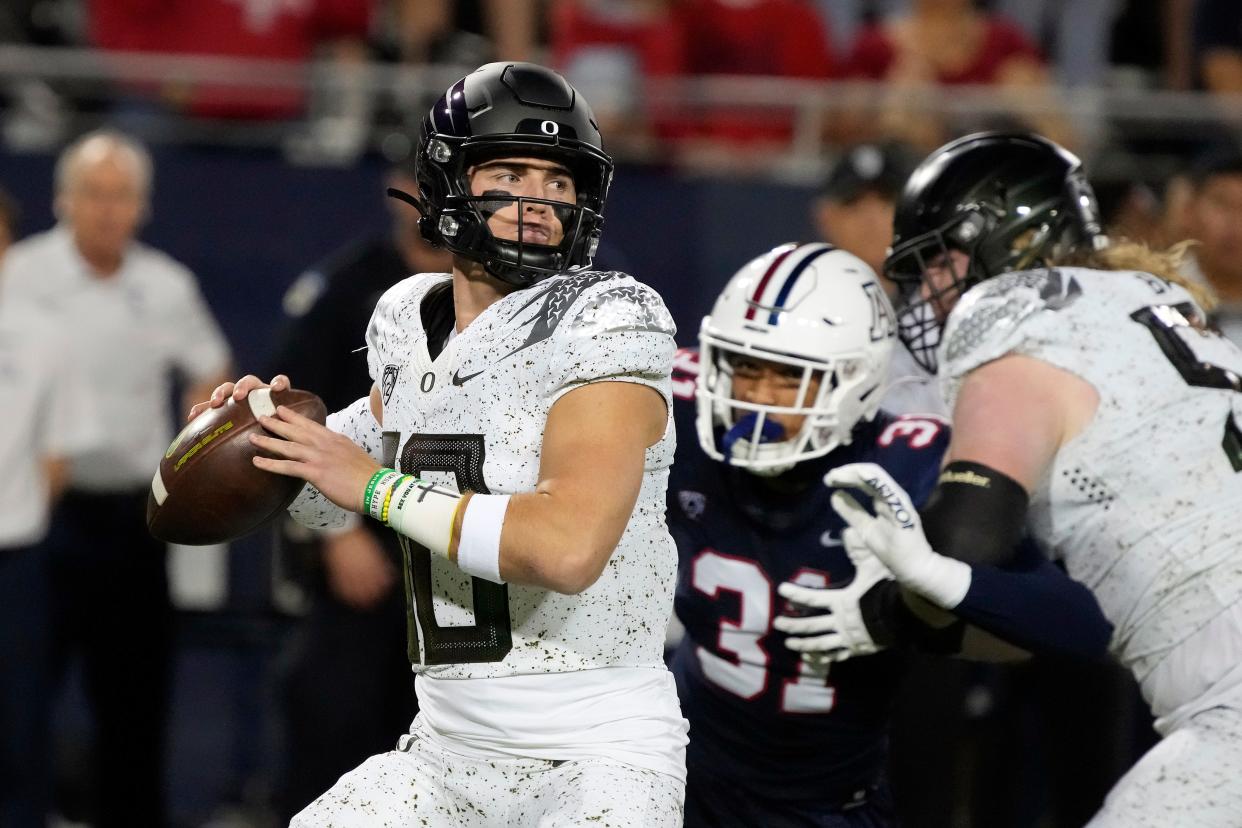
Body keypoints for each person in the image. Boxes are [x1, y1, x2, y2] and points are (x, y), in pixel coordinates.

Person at [192, 62, 687, 826]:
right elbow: (328, 503)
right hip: (445, 750)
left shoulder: (609, 317)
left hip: (594, 756)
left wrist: (374, 488)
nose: (539, 202)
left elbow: (566, 548)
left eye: (560, 182)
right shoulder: (403, 318)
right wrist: (259, 437)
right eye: (511, 172)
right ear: (445, 183)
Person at [810, 131, 1242, 827]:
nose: (929, 294)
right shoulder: (1150, 303)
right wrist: (922, 622)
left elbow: (963, 542)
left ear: (1006, 240)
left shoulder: (1014, 323)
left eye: (939, 262)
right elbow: (1083, 620)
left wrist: (889, 607)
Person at [666, 241, 1111, 827]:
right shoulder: (680, 412)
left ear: (855, 383)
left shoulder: (907, 466)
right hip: (677, 776)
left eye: (790, 378)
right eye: (745, 369)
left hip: (827, 805)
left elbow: (1084, 625)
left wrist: (928, 589)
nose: (757, 402)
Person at [0, 129, 232, 827]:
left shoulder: (166, 287)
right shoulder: (21, 274)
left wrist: (190, 455)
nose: (107, 209)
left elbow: (212, 372)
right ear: (63, 200)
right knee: (19, 700)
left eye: (122, 195)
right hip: (39, 519)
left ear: (143, 206)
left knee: (135, 706)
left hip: (132, 521)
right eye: (94, 194)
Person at [266, 167, 451, 823]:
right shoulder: (349, 286)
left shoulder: (505, 298)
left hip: (463, 568)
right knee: (334, 727)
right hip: (367, 552)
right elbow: (294, 424)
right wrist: (337, 536)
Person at [810, 141, 945, 418]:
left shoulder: (948, 307)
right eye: (854, 204)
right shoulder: (799, 308)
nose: (870, 220)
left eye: (886, 202)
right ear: (825, 217)